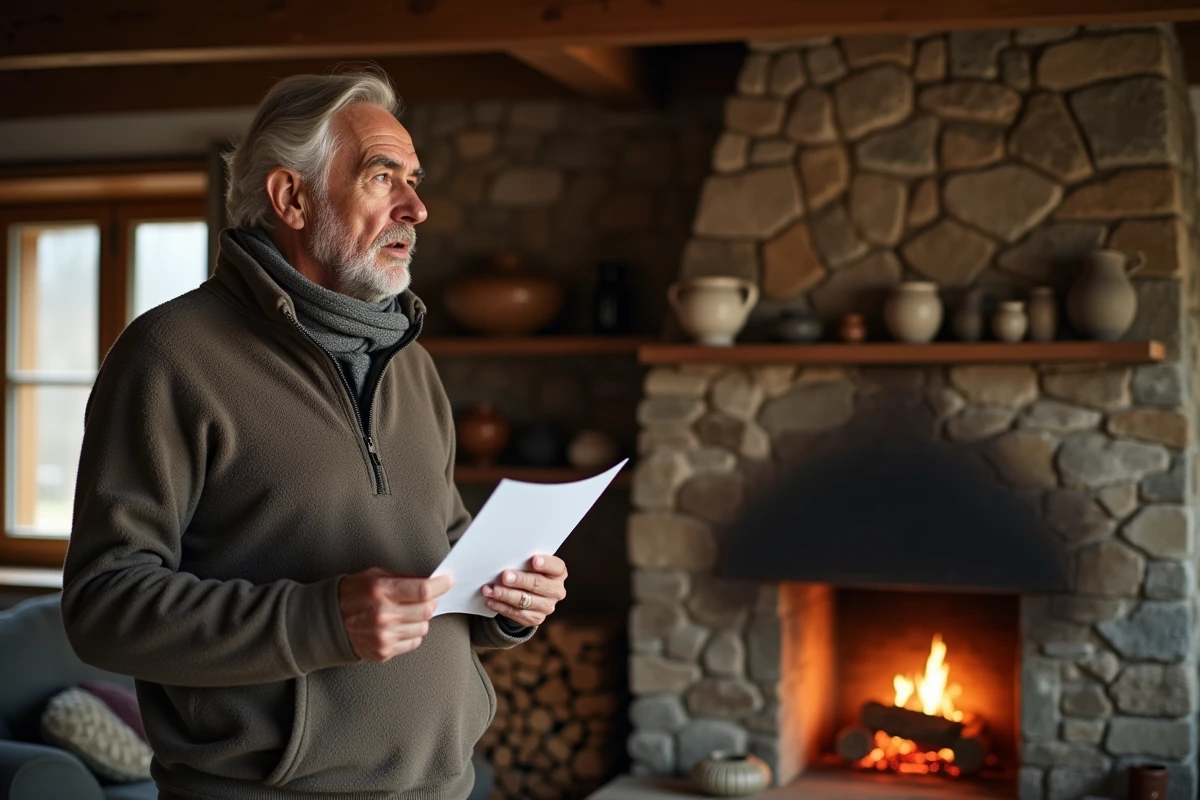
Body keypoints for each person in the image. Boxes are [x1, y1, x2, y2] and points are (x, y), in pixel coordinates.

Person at [61, 68, 568, 800]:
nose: (417, 207)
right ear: (291, 197)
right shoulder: (170, 355)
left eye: (415, 179)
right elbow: (104, 607)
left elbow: (443, 557)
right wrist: (317, 620)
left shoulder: (414, 367)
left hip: (444, 787)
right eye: (381, 177)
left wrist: (509, 599)